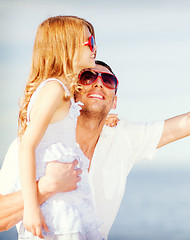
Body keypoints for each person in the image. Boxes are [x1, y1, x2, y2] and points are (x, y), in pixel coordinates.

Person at [0, 59, 190, 239]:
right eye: (88, 75)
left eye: (108, 80)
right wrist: (45, 188)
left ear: (114, 97)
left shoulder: (122, 137)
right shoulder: (32, 143)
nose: (99, 82)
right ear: (75, 89)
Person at [15, 15, 103, 239]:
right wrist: (31, 208)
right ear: (67, 47)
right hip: (55, 207)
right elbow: (26, 147)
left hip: (67, 198)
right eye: (89, 42)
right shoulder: (54, 89)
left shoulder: (63, 91)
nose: (95, 48)